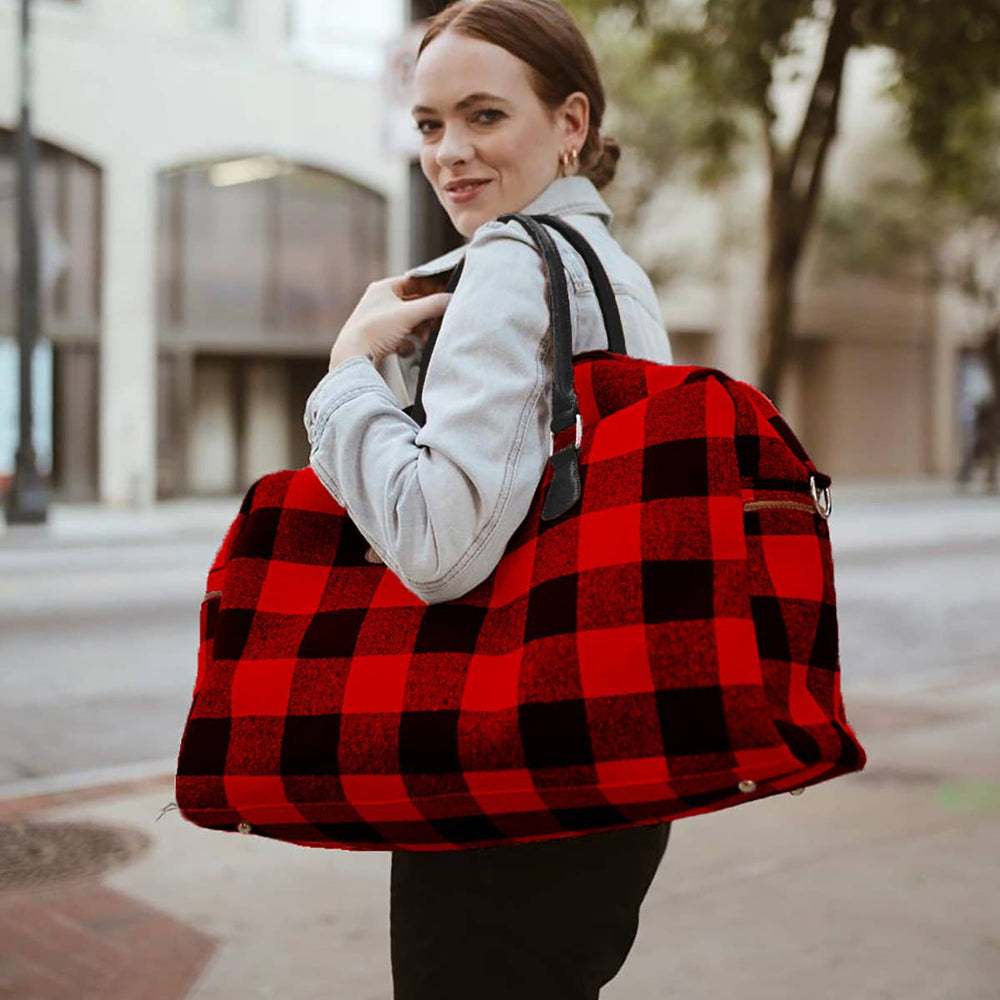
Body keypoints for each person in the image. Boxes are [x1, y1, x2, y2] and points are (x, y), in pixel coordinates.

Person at [302, 1, 674, 996]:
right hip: (614, 750)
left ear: (569, 124)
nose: (448, 153)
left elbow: (437, 547)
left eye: (482, 117)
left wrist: (346, 374)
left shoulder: (510, 264)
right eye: (428, 125)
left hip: (501, 766)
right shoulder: (618, 273)